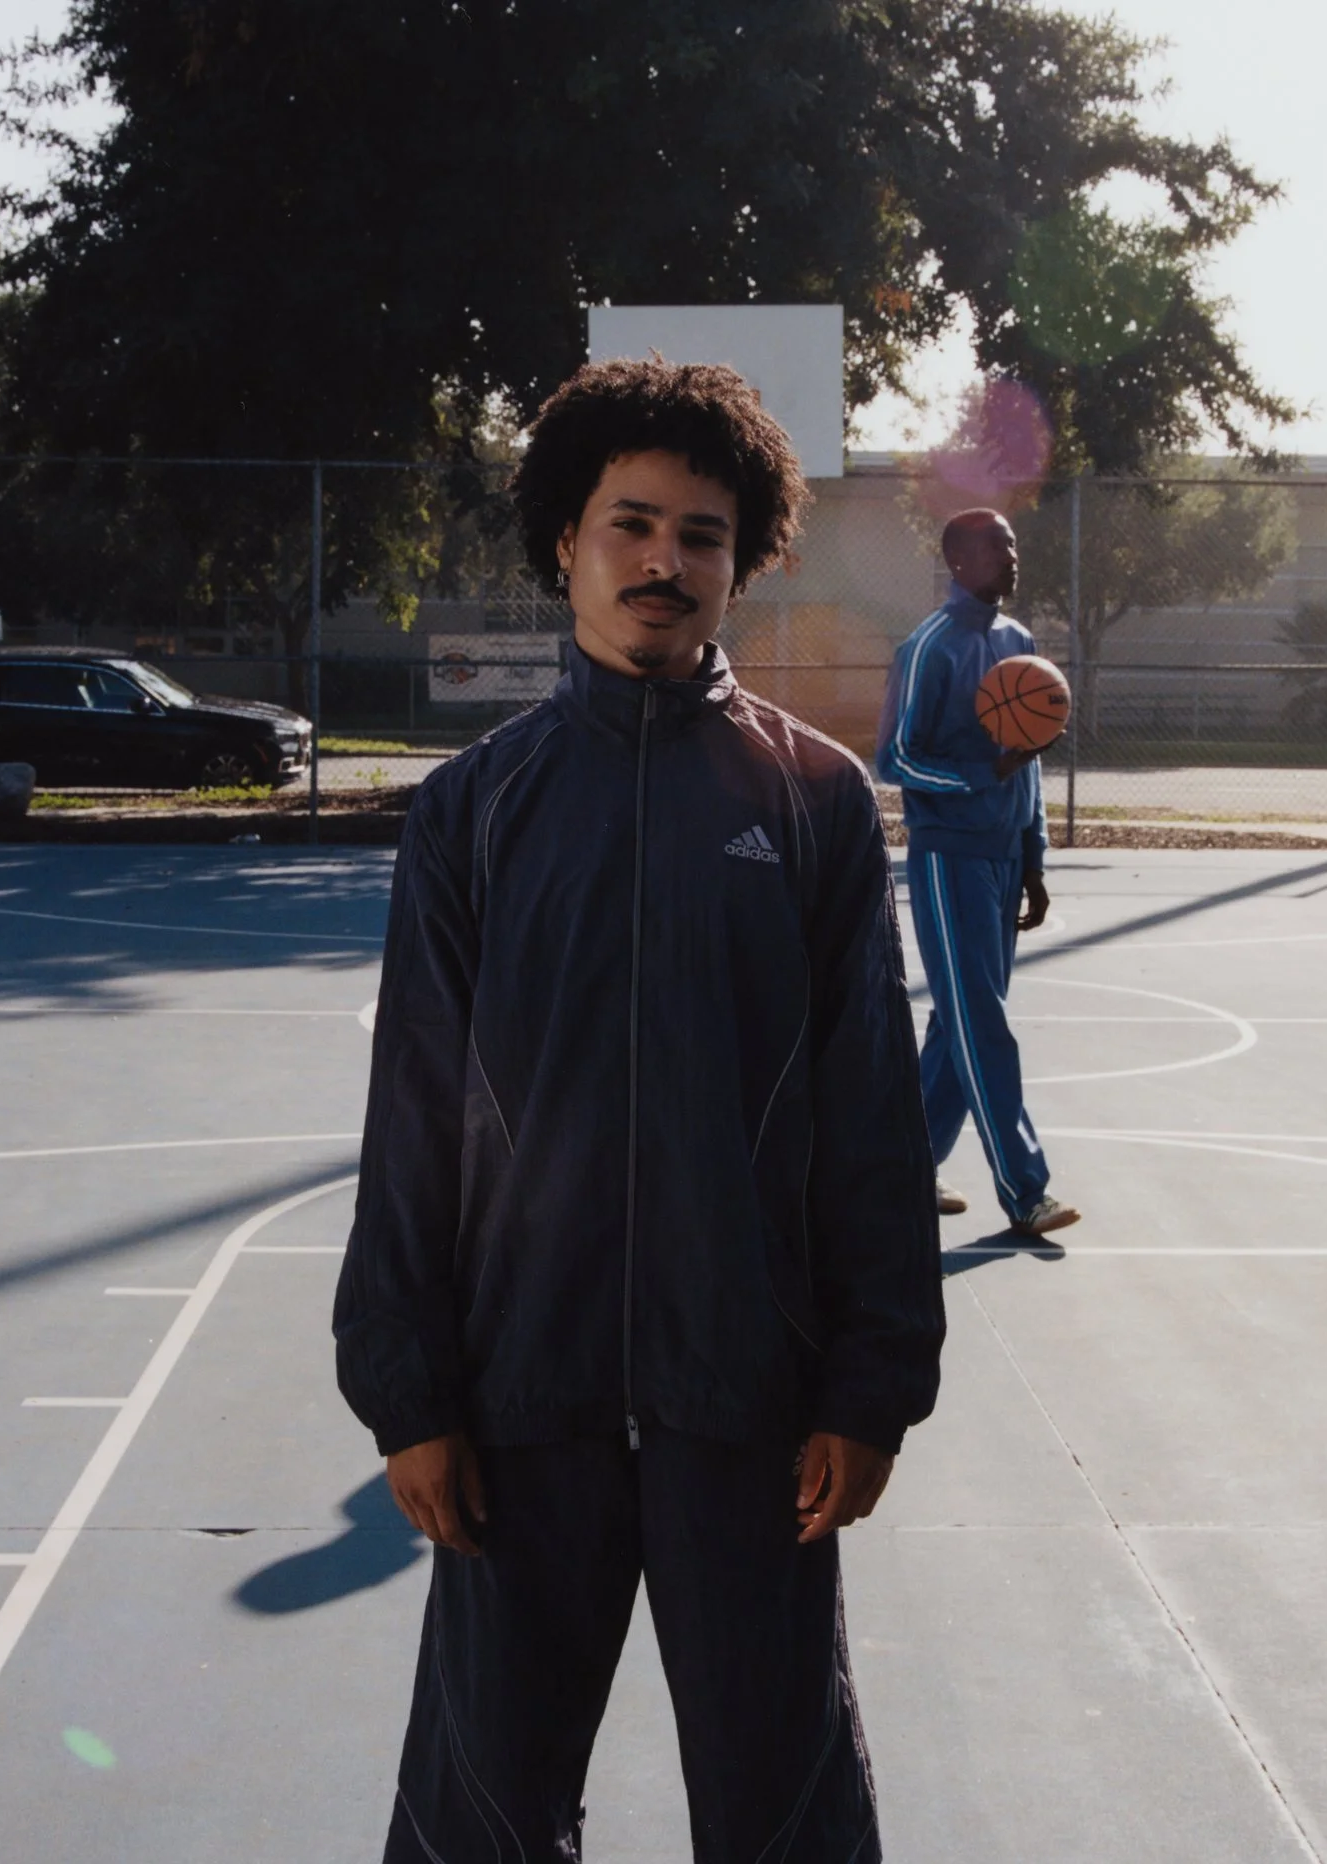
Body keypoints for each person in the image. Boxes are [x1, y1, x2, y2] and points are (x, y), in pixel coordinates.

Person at [333, 358, 943, 1864]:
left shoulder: (811, 804)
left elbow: (872, 1111)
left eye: (703, 534)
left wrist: (872, 1385)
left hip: (749, 1404)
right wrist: (407, 1391)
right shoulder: (477, 808)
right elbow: (411, 1118)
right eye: (632, 523)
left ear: (745, 560)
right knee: (485, 1808)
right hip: (515, 1403)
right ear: (567, 541)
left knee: (783, 1805)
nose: (665, 562)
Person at [874, 508, 1079, 1237]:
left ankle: (905, 1165)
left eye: (1015, 543)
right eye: (997, 544)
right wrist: (980, 772)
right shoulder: (926, 648)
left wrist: (1034, 858)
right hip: (949, 858)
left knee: (957, 1025)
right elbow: (892, 759)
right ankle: (1026, 1190)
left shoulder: (1020, 643)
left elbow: (1032, 765)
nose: (1013, 554)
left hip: (1001, 858)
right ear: (958, 558)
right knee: (979, 1023)